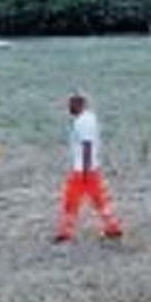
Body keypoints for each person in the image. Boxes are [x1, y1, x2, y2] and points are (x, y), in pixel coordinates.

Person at [54, 91, 123, 242]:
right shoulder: (91, 119)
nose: (69, 108)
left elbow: (87, 145)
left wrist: (85, 170)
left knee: (71, 201)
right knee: (100, 201)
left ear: (79, 105)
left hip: (82, 170)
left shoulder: (82, 122)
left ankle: (65, 232)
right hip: (92, 168)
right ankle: (113, 227)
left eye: (71, 105)